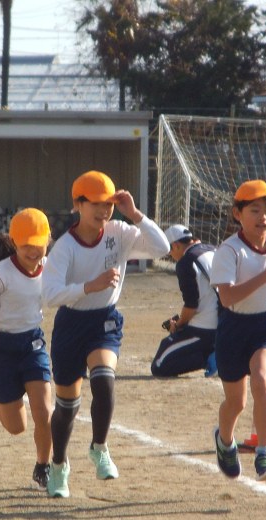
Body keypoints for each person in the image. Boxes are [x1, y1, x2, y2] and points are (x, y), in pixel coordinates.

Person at [41, 170, 170, 498]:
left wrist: (135, 214)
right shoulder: (65, 247)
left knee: (103, 379)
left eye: (108, 204)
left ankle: (99, 447)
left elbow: (161, 248)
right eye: (96, 204)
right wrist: (90, 286)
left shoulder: (120, 232)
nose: (103, 211)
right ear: (77, 204)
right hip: (71, 325)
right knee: (66, 407)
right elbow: (50, 295)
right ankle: (58, 465)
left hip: (105, 321)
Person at [209, 180, 266, 482]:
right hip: (233, 330)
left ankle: (264, 453)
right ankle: (225, 440)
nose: (263, 217)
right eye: (255, 210)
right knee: (235, 402)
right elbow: (227, 298)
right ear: (237, 214)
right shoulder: (229, 251)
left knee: (262, 378)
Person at [0, 208, 54, 490]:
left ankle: (44, 466)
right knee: (16, 427)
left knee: (44, 412)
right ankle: (7, 399)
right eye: (25, 245)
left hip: (32, 343)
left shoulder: (52, 267)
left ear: (48, 239)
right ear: (13, 242)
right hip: (0, 348)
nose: (33, 251)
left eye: (38, 244)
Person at [150, 224, 219, 378]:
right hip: (225, 323)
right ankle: (221, 350)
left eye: (170, 250)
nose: (170, 254)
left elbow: (191, 306)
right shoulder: (212, 249)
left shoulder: (185, 262)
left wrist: (178, 325)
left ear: (176, 245)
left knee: (159, 365)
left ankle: (214, 357)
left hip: (206, 329)